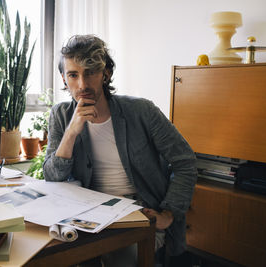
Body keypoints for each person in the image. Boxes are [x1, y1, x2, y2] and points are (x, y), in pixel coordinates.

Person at [43, 34, 197, 266]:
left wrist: (169, 213)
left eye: (91, 72)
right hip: (87, 213)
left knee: (121, 260)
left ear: (106, 74)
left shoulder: (141, 111)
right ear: (64, 79)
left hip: (138, 211)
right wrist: (71, 132)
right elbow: (52, 177)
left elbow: (185, 162)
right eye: (74, 75)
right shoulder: (61, 114)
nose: (82, 84)